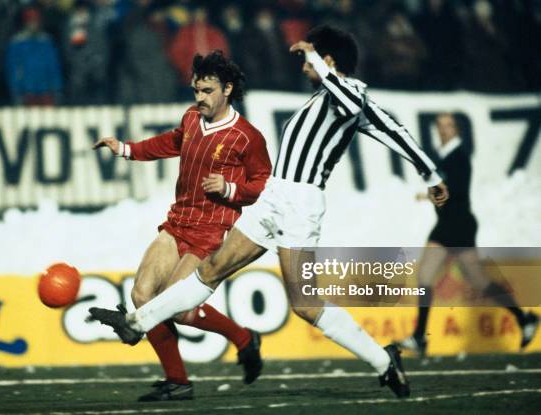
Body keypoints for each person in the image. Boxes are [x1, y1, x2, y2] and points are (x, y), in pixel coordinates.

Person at [89, 26, 450, 399]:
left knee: (306, 305)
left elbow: (382, 121)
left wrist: (431, 173)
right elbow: (387, 127)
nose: (304, 68)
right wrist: (431, 171)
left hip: (299, 206)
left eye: (312, 62)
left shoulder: (350, 93)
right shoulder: (322, 97)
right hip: (274, 198)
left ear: (326, 61)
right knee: (210, 270)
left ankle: (382, 360)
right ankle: (136, 321)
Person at [92, 50, 271, 401]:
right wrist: (126, 149)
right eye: (196, 90)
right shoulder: (191, 118)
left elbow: (264, 183)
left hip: (212, 232)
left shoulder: (247, 136)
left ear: (227, 90)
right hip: (178, 224)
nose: (199, 98)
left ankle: (244, 339)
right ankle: (178, 381)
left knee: (180, 308)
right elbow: (172, 142)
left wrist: (231, 188)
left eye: (207, 91)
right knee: (142, 296)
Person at [397, 113, 539, 355]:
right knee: (439, 277)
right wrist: (432, 195)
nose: (444, 130)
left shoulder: (458, 158)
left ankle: (524, 318)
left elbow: (454, 191)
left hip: (458, 225)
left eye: (449, 125)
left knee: (468, 280)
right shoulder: (445, 157)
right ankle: (420, 336)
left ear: (457, 130)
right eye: (440, 126)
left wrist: (429, 195)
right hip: (451, 224)